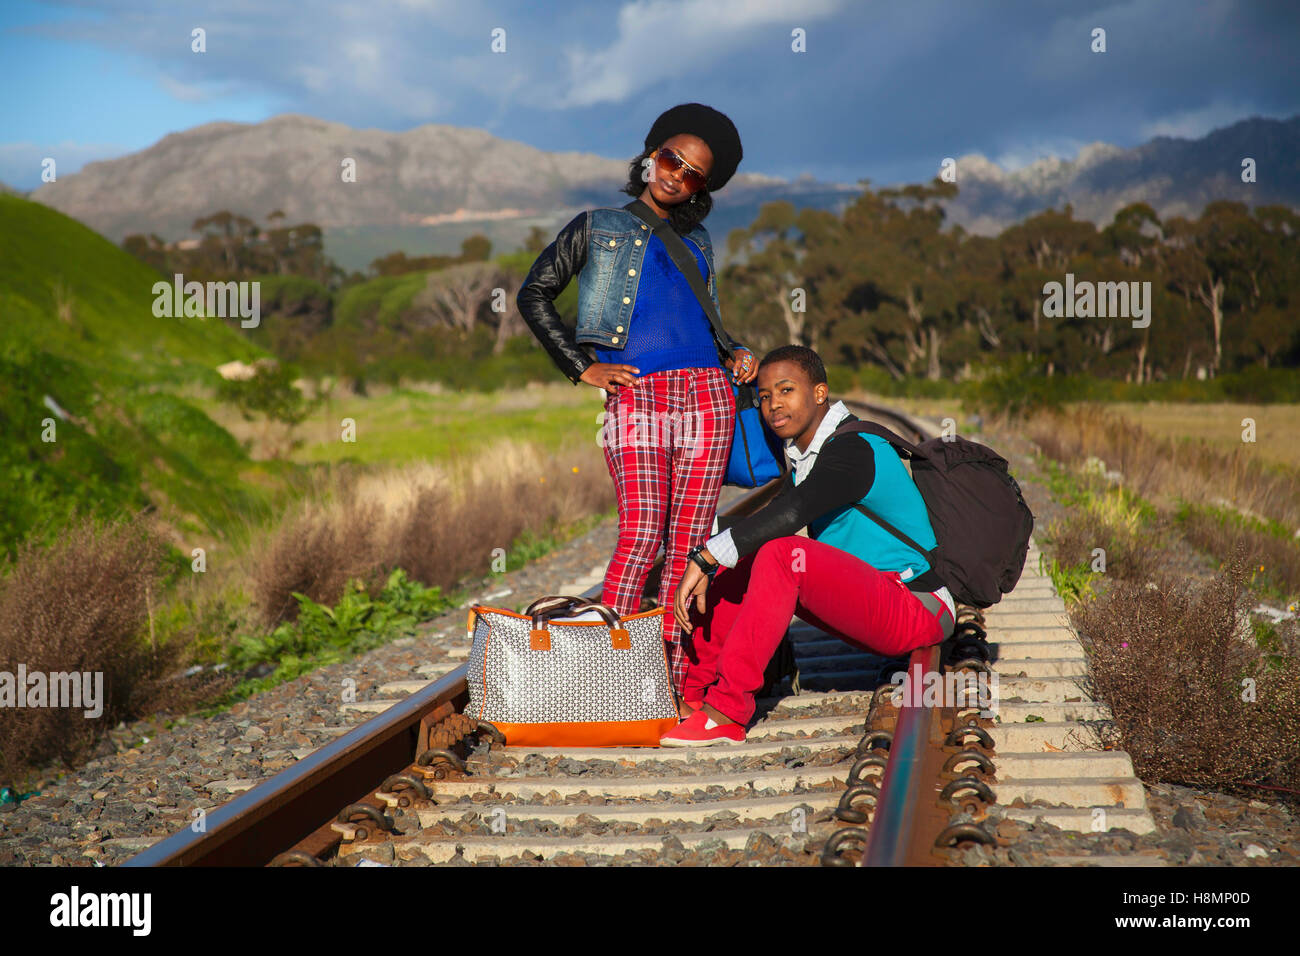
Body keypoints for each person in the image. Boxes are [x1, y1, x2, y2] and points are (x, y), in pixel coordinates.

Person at [516, 103, 757, 696]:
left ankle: (669, 679)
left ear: (703, 186)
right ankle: (610, 678)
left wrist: (736, 352)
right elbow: (534, 293)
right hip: (638, 394)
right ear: (651, 155)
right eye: (672, 158)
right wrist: (583, 368)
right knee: (644, 531)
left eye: (694, 172)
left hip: (708, 394)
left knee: (690, 543)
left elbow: (701, 322)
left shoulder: (697, 240)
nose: (677, 174)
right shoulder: (596, 225)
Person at [661, 345, 956, 746]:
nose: (773, 405)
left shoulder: (852, 450)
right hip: (874, 598)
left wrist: (707, 555)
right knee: (746, 556)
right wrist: (720, 556)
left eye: (786, 391)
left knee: (779, 554)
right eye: (765, 396)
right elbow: (769, 520)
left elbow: (795, 510)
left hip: (917, 606)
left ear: (819, 393)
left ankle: (726, 712)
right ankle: (693, 699)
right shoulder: (809, 453)